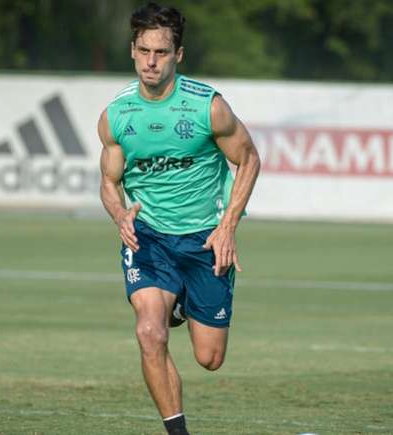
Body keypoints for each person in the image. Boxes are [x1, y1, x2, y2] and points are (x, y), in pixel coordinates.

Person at [97, 3, 260, 434]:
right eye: (145, 51)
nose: (152, 62)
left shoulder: (209, 107)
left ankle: (184, 300)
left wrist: (227, 227)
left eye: (162, 53)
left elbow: (248, 159)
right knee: (150, 332)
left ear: (178, 56)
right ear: (132, 51)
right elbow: (108, 182)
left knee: (210, 358)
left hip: (206, 238)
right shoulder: (116, 116)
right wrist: (119, 215)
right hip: (148, 239)